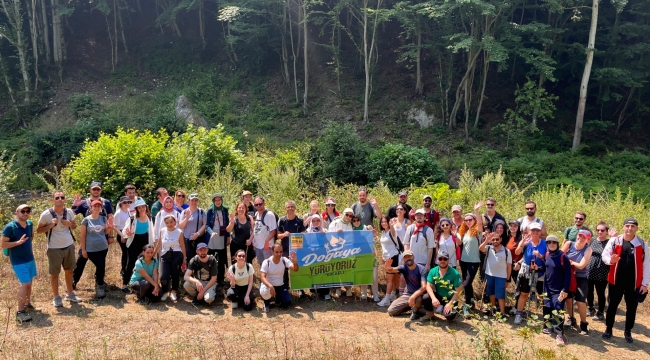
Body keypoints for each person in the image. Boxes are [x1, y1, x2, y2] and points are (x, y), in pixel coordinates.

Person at [601, 217, 649, 343]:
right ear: (623, 227)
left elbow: (646, 264)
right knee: (612, 306)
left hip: (634, 283)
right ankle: (609, 328)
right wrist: (611, 261)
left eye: (633, 226)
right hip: (615, 281)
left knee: (631, 308)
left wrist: (644, 284)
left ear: (636, 228)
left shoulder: (643, 244)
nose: (630, 228)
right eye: (627, 226)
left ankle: (628, 331)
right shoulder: (614, 240)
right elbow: (604, 255)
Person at [36, 191, 82, 306]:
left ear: (65, 200)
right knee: (55, 274)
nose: (60, 199)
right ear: (53, 200)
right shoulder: (46, 214)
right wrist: (50, 225)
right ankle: (56, 297)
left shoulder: (70, 212)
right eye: (57, 197)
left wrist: (70, 224)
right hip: (54, 248)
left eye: (62, 197)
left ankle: (70, 294)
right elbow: (38, 230)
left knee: (69, 271)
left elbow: (75, 225)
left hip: (69, 245)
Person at [2, 204, 36, 322]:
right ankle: (20, 312)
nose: (26, 213)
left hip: (30, 258)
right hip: (18, 260)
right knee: (25, 283)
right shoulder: (10, 227)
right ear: (17, 213)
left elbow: (31, 237)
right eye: (23, 211)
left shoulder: (30, 224)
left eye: (28, 211)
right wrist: (17, 243)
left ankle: (27, 304)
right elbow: (3, 244)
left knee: (30, 282)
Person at [72, 200, 112, 299]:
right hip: (90, 249)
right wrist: (84, 250)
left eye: (99, 206)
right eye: (95, 206)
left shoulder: (103, 218)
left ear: (101, 208)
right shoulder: (86, 220)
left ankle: (100, 286)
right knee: (82, 265)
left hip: (103, 247)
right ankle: (73, 283)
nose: (97, 208)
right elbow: (83, 236)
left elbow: (106, 232)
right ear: (91, 208)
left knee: (101, 267)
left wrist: (109, 227)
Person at [513, 222, 547, 325]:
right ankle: (519, 314)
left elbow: (549, 258)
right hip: (527, 271)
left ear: (540, 232)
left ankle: (547, 316)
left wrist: (540, 256)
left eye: (537, 230)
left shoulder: (545, 243)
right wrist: (522, 243)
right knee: (524, 293)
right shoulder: (526, 242)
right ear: (529, 231)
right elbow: (517, 253)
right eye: (533, 230)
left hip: (540, 272)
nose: (535, 232)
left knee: (542, 295)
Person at [541, 235, 572, 347]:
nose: (551, 244)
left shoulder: (563, 257)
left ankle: (559, 334)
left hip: (559, 289)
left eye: (554, 242)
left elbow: (568, 275)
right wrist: (537, 268)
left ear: (558, 244)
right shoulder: (547, 254)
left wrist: (565, 289)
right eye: (549, 242)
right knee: (547, 307)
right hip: (547, 288)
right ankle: (548, 327)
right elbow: (546, 268)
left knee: (558, 309)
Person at [561, 229, 593, 334]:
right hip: (568, 275)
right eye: (580, 235)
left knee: (580, 300)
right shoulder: (569, 244)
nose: (580, 238)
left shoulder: (588, 249)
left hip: (581, 277)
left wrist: (569, 262)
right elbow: (560, 257)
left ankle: (583, 323)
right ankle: (571, 319)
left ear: (588, 240)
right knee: (568, 299)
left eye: (584, 237)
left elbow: (581, 265)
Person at [384, 250, 429, 320]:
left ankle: (416, 311)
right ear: (403, 259)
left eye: (409, 256)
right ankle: (412, 307)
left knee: (418, 299)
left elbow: (424, 287)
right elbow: (392, 270)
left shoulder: (421, 269)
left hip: (420, 295)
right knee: (391, 311)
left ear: (413, 257)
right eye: (405, 257)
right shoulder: (404, 267)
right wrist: (387, 268)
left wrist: (413, 296)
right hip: (408, 294)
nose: (408, 258)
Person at [122, 199, 155, 292]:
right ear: (136, 208)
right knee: (131, 263)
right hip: (134, 241)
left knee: (144, 262)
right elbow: (125, 231)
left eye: (143, 206)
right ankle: (124, 285)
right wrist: (127, 234)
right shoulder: (132, 218)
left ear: (146, 207)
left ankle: (141, 284)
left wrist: (152, 244)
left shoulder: (150, 218)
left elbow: (151, 232)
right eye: (139, 207)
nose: (142, 208)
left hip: (145, 242)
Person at [458, 202, 484, 315]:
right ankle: (471, 301)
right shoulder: (464, 231)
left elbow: (480, 223)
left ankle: (466, 305)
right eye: (466, 220)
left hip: (474, 261)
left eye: (470, 219)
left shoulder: (477, 232)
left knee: (466, 283)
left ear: (474, 220)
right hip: (463, 261)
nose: (468, 221)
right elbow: (459, 243)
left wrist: (476, 211)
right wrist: (455, 234)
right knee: (466, 283)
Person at [424, 250, 464, 322]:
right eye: (440, 259)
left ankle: (444, 308)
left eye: (445, 259)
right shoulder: (433, 271)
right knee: (426, 297)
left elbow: (459, 290)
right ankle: (430, 314)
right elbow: (428, 286)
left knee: (449, 316)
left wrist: (450, 304)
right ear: (437, 260)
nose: (443, 261)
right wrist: (433, 298)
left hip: (451, 298)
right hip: (439, 296)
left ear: (448, 260)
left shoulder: (455, 273)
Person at [154, 214, 186, 302]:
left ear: (175, 222)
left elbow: (182, 246)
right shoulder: (162, 231)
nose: (169, 224)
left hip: (177, 254)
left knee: (175, 274)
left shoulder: (179, 232)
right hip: (165, 254)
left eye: (171, 222)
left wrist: (184, 258)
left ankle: (174, 291)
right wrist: (154, 253)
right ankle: (165, 291)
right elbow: (159, 243)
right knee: (164, 275)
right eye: (167, 223)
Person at [479, 232, 512, 316]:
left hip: (501, 276)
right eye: (493, 239)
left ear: (500, 239)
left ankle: (502, 313)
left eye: (497, 239)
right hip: (489, 275)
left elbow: (509, 266)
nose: (495, 241)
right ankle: (493, 310)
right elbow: (480, 248)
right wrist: (487, 240)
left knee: (500, 295)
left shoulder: (506, 251)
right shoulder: (489, 248)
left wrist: (508, 279)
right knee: (491, 293)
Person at [260, 243, 300, 312]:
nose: (279, 254)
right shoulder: (267, 262)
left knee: (287, 302)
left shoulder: (284, 260)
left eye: (281, 252)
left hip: (280, 286)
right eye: (276, 252)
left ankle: (277, 300)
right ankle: (266, 303)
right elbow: (262, 277)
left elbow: (295, 269)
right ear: (272, 252)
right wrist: (270, 285)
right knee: (264, 291)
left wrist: (295, 262)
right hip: (269, 286)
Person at [586, 221, 613, 321]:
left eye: (602, 230)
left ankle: (601, 312)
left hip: (602, 271)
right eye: (598, 230)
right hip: (589, 269)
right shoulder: (592, 240)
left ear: (606, 231)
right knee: (589, 291)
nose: (600, 232)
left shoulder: (609, 242)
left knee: (600, 293)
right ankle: (590, 308)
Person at [206, 193, 230, 287]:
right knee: (211, 259)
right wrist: (211, 232)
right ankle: (211, 278)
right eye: (216, 200)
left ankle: (220, 279)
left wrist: (228, 236)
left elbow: (227, 224)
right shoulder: (210, 211)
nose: (218, 202)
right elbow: (207, 225)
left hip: (222, 238)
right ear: (213, 201)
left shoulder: (225, 210)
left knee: (222, 260)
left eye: (219, 200)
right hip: (212, 238)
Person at [378, 216, 402, 306]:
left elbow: (393, 231)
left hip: (393, 257)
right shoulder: (383, 233)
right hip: (387, 258)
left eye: (385, 222)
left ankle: (387, 299)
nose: (384, 223)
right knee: (395, 277)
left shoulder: (391, 231)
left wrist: (392, 225)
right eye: (382, 222)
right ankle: (393, 294)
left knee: (389, 279)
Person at [403, 209, 435, 273]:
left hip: (423, 262)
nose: (419, 217)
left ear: (425, 218)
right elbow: (406, 244)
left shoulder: (429, 230)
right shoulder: (410, 228)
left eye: (421, 215)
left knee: (423, 282)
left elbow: (430, 248)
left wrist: (428, 264)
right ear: (415, 217)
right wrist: (407, 258)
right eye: (417, 215)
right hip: (411, 261)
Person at [179, 194, 207, 263]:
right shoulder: (184, 212)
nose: (194, 202)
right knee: (190, 260)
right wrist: (187, 218)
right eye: (192, 200)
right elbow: (181, 226)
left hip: (199, 239)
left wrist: (197, 234)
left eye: (196, 200)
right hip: (188, 241)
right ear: (188, 201)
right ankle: (190, 273)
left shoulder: (202, 211)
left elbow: (205, 224)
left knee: (199, 259)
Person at [112, 196, 132, 292]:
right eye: (125, 202)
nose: (127, 204)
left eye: (129, 202)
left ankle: (127, 270)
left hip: (127, 234)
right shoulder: (118, 213)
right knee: (125, 253)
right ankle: (124, 270)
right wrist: (122, 235)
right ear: (121, 204)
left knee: (128, 253)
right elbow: (114, 226)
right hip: (121, 234)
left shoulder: (128, 211)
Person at [253, 196, 277, 265]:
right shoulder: (256, 214)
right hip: (258, 245)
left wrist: (267, 241)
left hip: (267, 246)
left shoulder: (269, 215)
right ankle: (263, 276)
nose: (258, 206)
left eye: (260, 204)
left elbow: (273, 230)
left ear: (264, 203)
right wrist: (255, 241)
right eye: (256, 204)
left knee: (268, 265)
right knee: (262, 265)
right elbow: (256, 228)